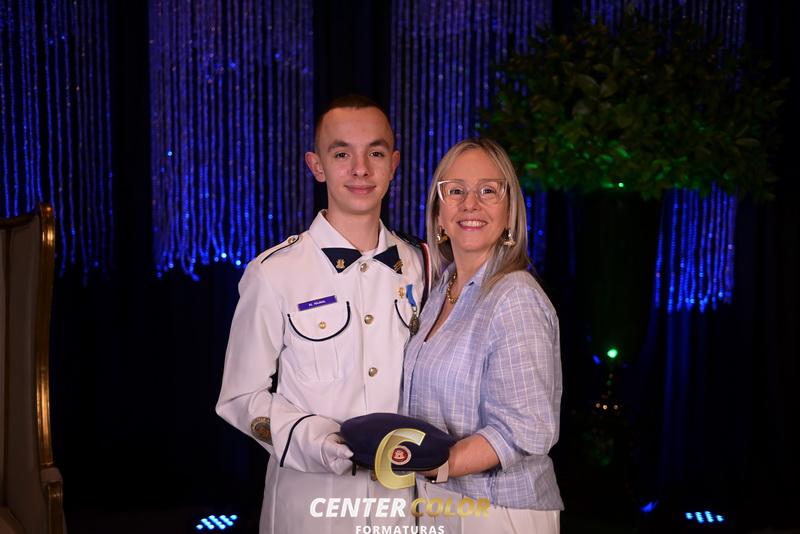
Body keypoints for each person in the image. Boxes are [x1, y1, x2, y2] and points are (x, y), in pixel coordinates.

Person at [217, 95, 428, 534]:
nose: (360, 169)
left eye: (375, 153)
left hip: (403, 505)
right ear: (317, 166)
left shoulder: (423, 266)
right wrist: (313, 441)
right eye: (341, 154)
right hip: (310, 506)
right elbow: (239, 397)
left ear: (394, 164)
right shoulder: (274, 273)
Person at [402, 138, 563, 533]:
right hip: (438, 501)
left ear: (509, 214)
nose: (470, 204)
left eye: (488, 191)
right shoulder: (440, 290)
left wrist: (440, 463)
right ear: (439, 214)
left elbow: (528, 427)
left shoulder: (515, 297)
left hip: (497, 512)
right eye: (456, 191)